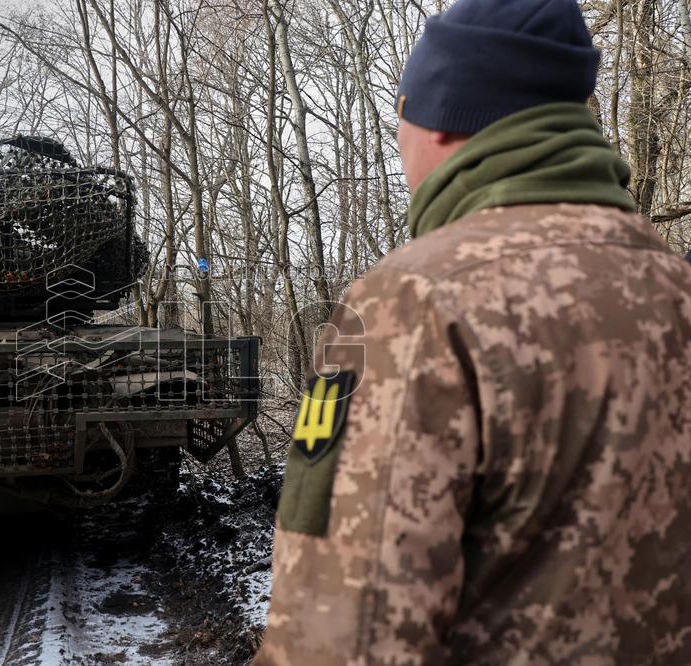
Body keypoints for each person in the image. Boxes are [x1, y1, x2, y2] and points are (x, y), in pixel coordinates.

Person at [253, 0, 691, 663]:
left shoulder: (412, 303)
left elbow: (344, 635)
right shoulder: (674, 285)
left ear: (440, 120)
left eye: (400, 117)